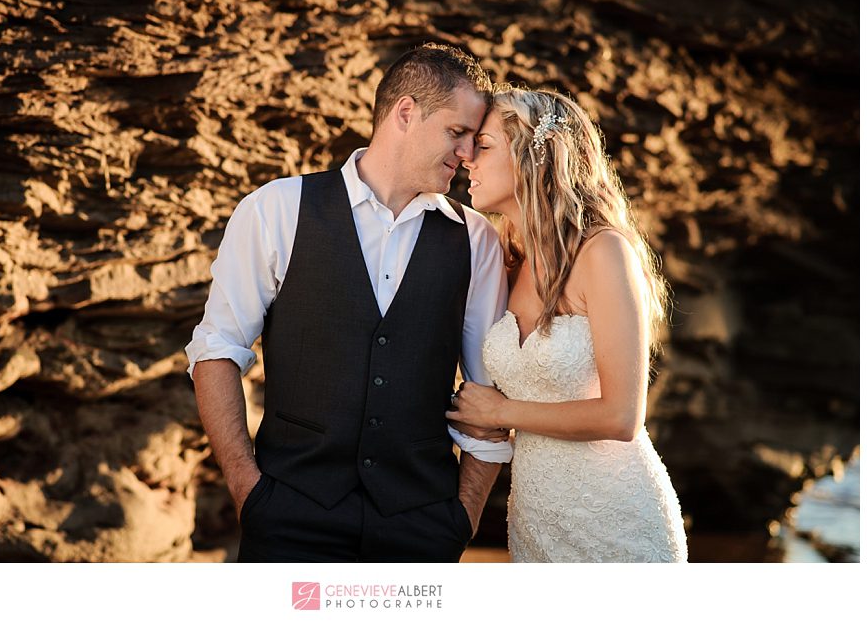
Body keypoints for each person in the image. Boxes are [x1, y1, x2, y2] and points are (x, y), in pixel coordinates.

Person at [185, 43, 512, 562]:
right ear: (405, 113)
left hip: (420, 527)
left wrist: (462, 517)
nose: (468, 153)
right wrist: (249, 492)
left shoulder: (476, 241)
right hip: (289, 520)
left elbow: (486, 393)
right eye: (457, 132)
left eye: (475, 139)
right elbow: (216, 351)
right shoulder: (277, 209)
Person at [447, 85, 688, 562]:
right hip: (535, 519)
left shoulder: (603, 252)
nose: (468, 158)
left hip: (614, 520)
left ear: (535, 157)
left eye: (485, 144)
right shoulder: (506, 259)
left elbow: (621, 417)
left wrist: (499, 413)